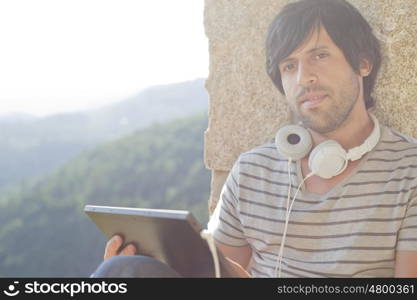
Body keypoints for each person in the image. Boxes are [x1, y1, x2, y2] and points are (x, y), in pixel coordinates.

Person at [91, 0, 417, 278]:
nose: (304, 78)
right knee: (123, 272)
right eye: (289, 66)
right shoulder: (253, 169)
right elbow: (219, 275)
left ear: (363, 63)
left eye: (319, 56)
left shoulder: (408, 169)